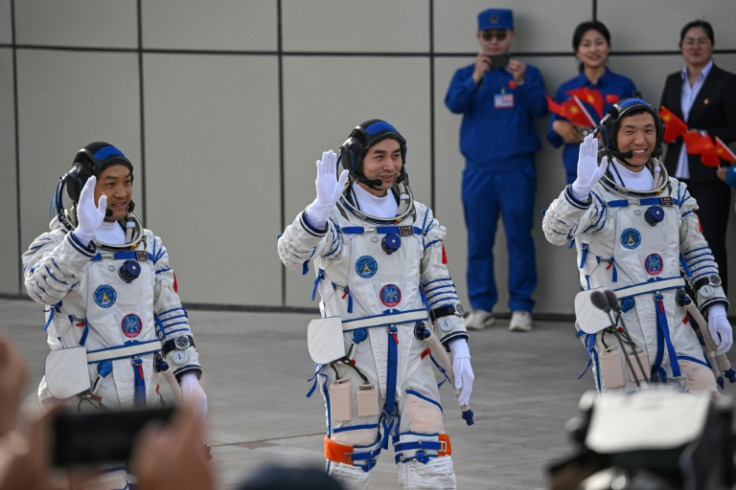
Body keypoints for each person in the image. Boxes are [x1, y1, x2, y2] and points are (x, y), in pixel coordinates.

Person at [277, 120, 473, 489]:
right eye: (378, 156)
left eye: (396, 156)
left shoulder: (419, 219)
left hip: (414, 357)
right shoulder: (334, 218)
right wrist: (318, 210)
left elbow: (439, 285)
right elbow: (290, 254)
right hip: (355, 363)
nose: (389, 166)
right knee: (350, 465)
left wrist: (458, 345)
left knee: (430, 462)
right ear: (355, 159)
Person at [22, 142, 208, 485]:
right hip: (87, 398)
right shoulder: (54, 245)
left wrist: (188, 375)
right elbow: (40, 289)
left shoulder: (148, 245)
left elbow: (168, 310)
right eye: (111, 183)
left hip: (142, 395)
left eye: (128, 181)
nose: (122, 192)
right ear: (85, 189)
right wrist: (81, 238)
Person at [542, 98, 732, 393]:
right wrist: (579, 191)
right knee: (628, 423)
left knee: (706, 409)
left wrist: (715, 305)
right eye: (629, 131)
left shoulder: (675, 191)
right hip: (619, 327)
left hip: (674, 323)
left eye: (648, 130)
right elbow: (555, 232)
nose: (640, 140)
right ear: (611, 135)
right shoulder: (595, 192)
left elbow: (696, 250)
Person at [445, 7, 548, 332]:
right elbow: (453, 104)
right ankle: (481, 306)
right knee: (479, 240)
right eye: (487, 36)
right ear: (479, 38)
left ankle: (521, 306)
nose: (493, 41)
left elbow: (542, 108)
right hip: (478, 170)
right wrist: (476, 78)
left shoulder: (526, 73)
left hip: (517, 168)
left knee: (519, 238)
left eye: (500, 35)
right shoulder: (467, 73)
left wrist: (521, 83)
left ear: (511, 36)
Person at [659, 20, 736, 293]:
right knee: (672, 243)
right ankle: (683, 311)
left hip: (711, 174)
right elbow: (662, 122)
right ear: (681, 47)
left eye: (701, 41)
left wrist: (702, 134)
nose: (695, 47)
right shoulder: (672, 81)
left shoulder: (727, 82)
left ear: (712, 45)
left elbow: (733, 126)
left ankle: (715, 312)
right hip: (674, 176)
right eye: (689, 41)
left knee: (711, 243)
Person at [547, 20, 638, 184]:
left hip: (617, 169)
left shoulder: (625, 85)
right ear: (577, 51)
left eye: (599, 43)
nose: (593, 49)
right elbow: (552, 137)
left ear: (608, 47)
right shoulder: (566, 90)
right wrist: (557, 127)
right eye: (586, 44)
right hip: (577, 170)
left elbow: (638, 128)